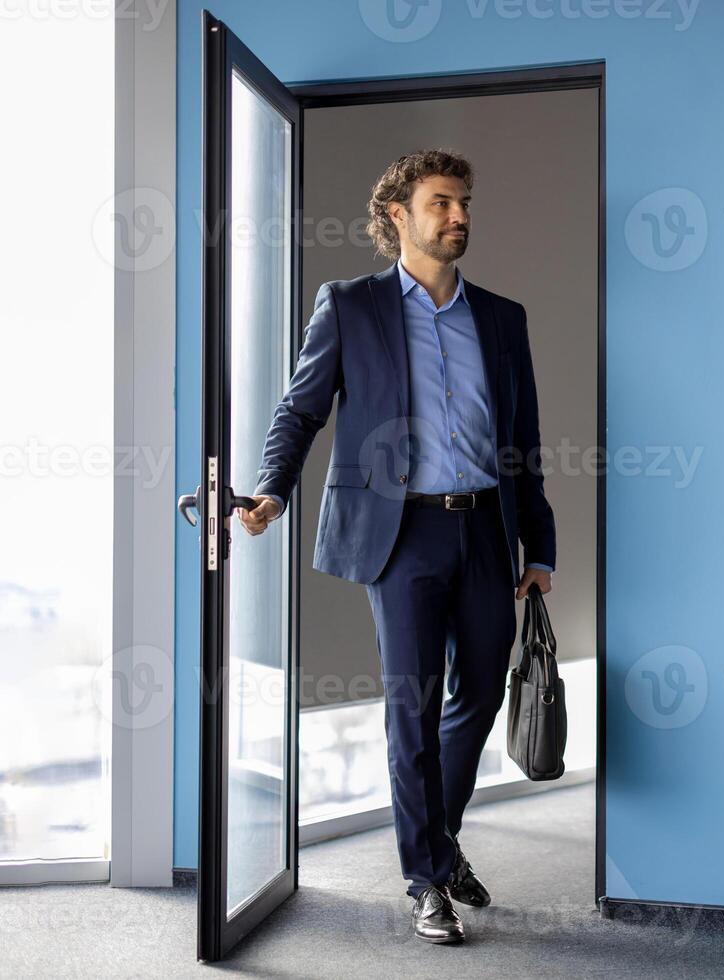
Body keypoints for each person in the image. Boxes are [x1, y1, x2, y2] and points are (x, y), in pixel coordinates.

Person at [235, 148, 556, 945]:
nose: (459, 216)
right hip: (400, 531)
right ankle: (426, 878)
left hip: (485, 526)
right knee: (410, 707)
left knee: (479, 690)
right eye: (442, 202)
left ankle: (438, 846)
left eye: (464, 202)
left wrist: (538, 548)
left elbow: (525, 443)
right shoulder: (350, 307)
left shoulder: (502, 317)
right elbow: (300, 411)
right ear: (397, 217)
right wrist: (274, 486)